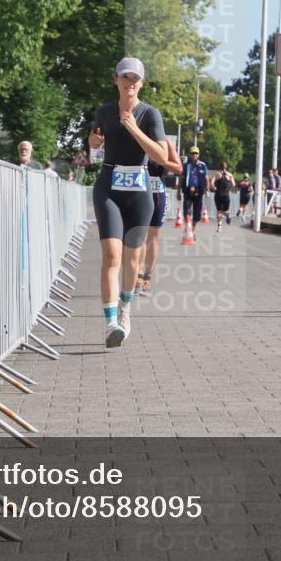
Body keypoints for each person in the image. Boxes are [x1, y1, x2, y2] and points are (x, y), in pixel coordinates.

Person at [89, 57, 169, 348]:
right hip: (108, 187)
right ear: (116, 80)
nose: (130, 82)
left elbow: (162, 156)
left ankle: (125, 308)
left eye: (135, 78)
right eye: (125, 77)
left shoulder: (150, 114)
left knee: (132, 261)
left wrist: (134, 129)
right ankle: (110, 323)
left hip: (139, 191)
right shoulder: (105, 111)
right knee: (111, 256)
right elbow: (95, 146)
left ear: (142, 83)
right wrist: (93, 144)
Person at [135, 137, 183, 294]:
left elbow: (178, 168)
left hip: (156, 192)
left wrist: (161, 159)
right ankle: (137, 275)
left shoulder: (164, 141)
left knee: (152, 238)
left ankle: (147, 277)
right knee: (138, 236)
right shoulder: (135, 133)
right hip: (138, 190)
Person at [179, 146, 209, 240]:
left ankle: (192, 230)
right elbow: (182, 178)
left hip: (198, 191)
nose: (194, 155)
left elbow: (206, 178)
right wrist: (178, 191)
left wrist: (207, 190)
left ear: (199, 154)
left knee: (197, 215)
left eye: (196, 153)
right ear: (190, 154)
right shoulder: (186, 165)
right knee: (186, 212)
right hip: (188, 190)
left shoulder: (203, 165)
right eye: (192, 153)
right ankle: (188, 229)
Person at [210, 161, 235, 232]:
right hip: (226, 195)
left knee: (219, 211)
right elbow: (233, 184)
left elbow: (211, 183)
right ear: (226, 167)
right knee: (226, 211)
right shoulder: (230, 175)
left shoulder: (216, 174)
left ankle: (219, 228)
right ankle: (227, 215)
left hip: (218, 194)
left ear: (219, 166)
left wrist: (213, 187)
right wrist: (230, 188)